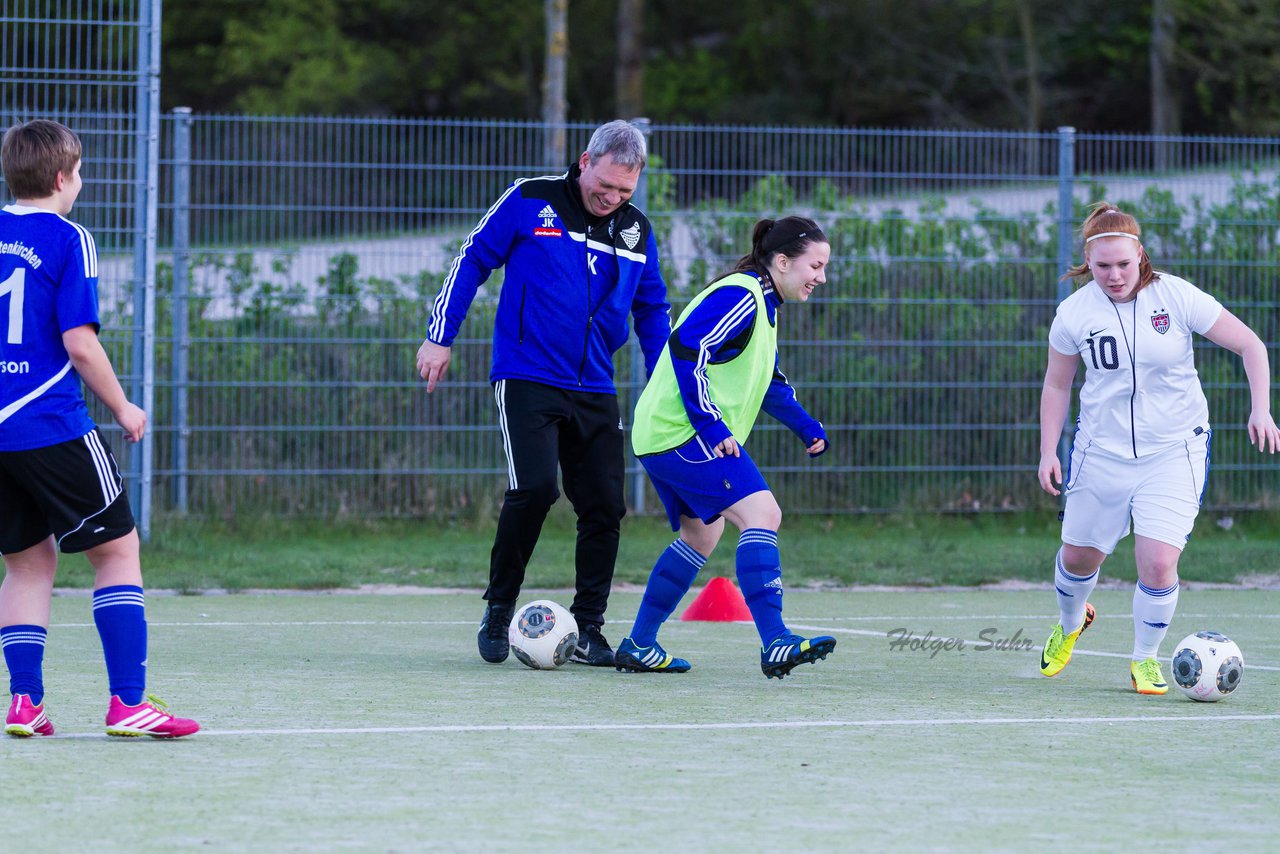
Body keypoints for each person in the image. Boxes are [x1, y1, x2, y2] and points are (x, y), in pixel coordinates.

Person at [416, 120, 671, 666]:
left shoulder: (636, 232)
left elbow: (652, 309)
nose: (611, 198)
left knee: (605, 506)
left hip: (596, 385)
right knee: (534, 490)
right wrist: (440, 337)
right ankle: (498, 610)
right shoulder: (530, 199)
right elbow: (472, 259)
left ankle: (591, 630)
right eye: (605, 184)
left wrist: (664, 379)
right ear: (585, 161)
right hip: (527, 373)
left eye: (624, 191)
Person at [0, 119, 199, 737]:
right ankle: (127, 702)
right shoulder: (68, 238)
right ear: (62, 178)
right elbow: (79, 344)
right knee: (117, 553)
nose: (81, 181)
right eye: (80, 171)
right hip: (51, 423)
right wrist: (123, 407)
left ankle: (24, 704)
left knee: (26, 566)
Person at [1037, 201, 1279, 694]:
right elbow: (1057, 385)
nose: (1114, 275)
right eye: (1102, 266)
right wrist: (1048, 451)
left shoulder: (1175, 296)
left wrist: (1262, 409)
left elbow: (1251, 345)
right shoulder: (1074, 313)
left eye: (1123, 264)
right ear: (1089, 262)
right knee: (1079, 558)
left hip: (1174, 449)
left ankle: (1144, 659)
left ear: (1140, 254)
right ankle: (1069, 623)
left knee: (1159, 562)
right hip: (1100, 451)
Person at [615, 215, 837, 679]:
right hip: (683, 432)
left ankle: (638, 643)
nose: (820, 277)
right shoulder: (743, 294)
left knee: (702, 536)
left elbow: (768, 382)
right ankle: (776, 641)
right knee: (763, 514)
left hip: (660, 433)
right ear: (782, 261)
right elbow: (686, 346)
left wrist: (805, 425)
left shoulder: (763, 303)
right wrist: (711, 425)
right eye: (814, 265)